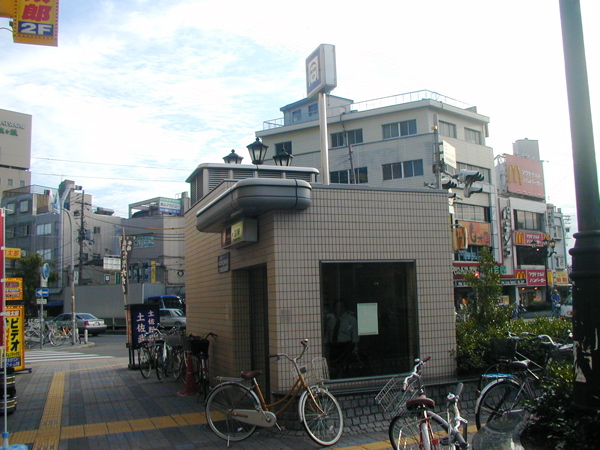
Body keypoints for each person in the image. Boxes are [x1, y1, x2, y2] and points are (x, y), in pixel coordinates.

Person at [325, 301, 359, 378]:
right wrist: (326, 346)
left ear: (345, 308)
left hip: (346, 346)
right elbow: (327, 336)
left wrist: (355, 348)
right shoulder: (331, 321)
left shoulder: (351, 320)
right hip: (333, 347)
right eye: (337, 307)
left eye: (341, 307)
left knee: (344, 366)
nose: (339, 309)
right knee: (334, 367)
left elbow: (355, 335)